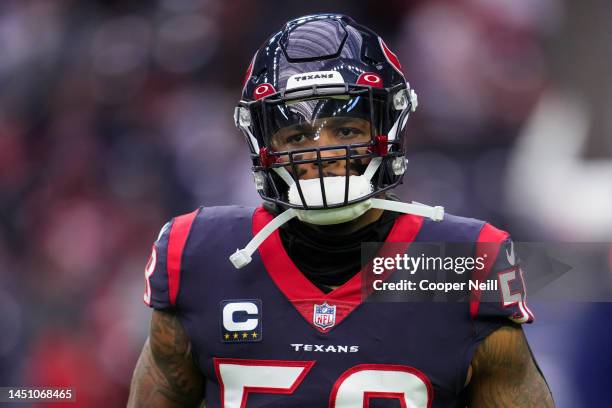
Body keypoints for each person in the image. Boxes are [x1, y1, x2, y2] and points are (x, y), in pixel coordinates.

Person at [128, 14, 553, 407]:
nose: (322, 151)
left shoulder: (466, 262)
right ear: (263, 145)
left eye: (346, 129)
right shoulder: (198, 255)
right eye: (296, 136)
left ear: (391, 126)